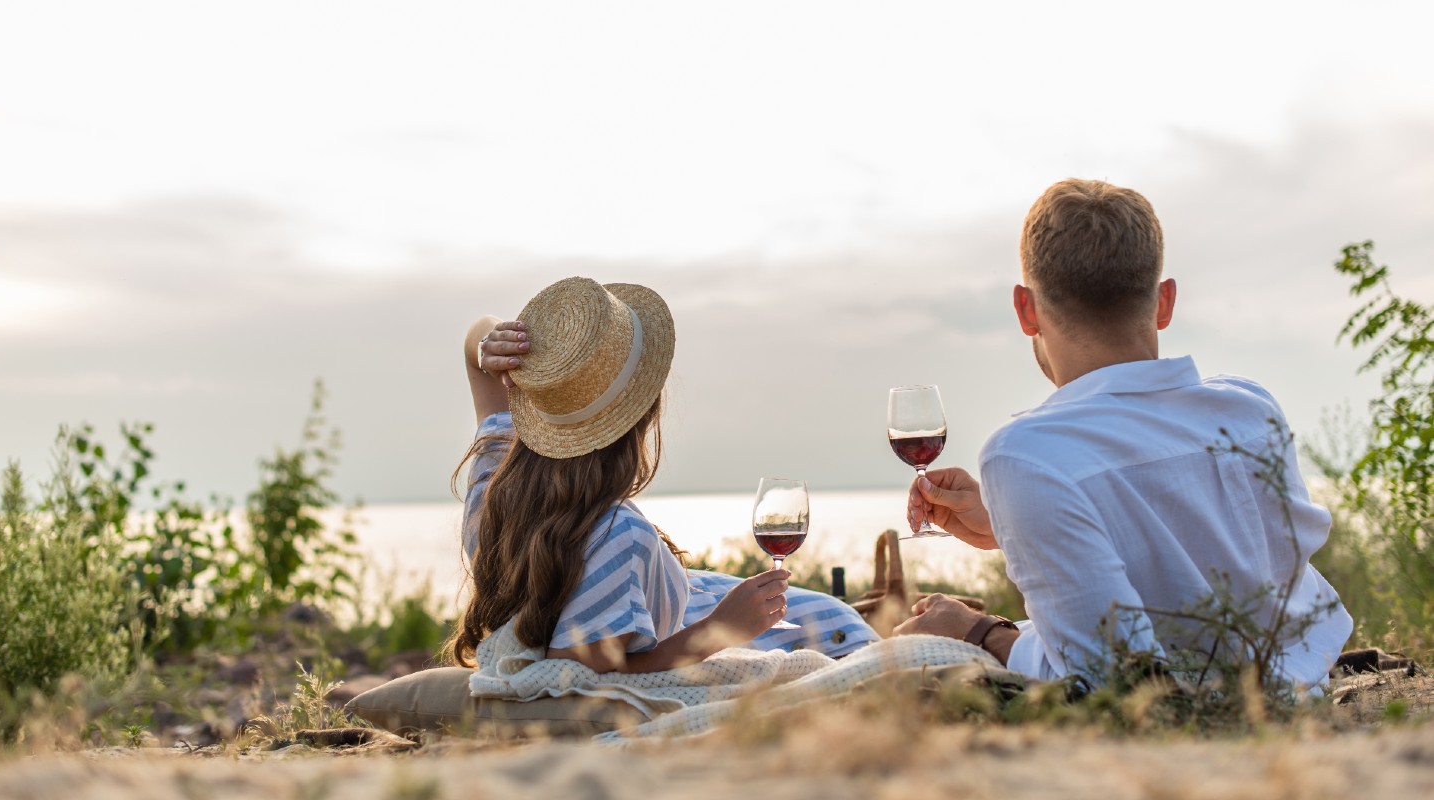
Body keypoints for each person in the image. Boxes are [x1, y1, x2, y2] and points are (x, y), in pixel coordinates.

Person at [895, 179, 1352, 688]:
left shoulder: (1026, 455)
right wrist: (1010, 526)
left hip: (1195, 728)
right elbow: (1196, 570)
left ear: (1026, 310)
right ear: (1165, 301)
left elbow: (1115, 678)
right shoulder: (1249, 410)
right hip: (1302, 696)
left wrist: (977, 631)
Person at [449, 277, 877, 673]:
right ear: (642, 416)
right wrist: (721, 631)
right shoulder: (616, 536)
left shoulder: (496, 476)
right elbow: (573, 678)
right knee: (868, 644)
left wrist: (492, 338)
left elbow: (474, 355)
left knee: (855, 621)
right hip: (743, 631)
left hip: (720, 602)